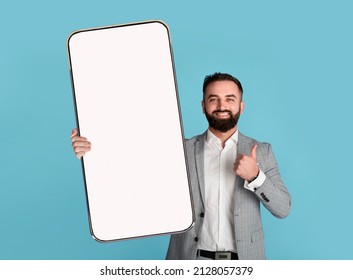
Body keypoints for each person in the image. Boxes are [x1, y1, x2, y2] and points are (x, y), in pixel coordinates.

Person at [71, 72, 291, 260]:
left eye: (230, 99)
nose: (222, 106)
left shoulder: (262, 151)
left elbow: (283, 209)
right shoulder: (179, 150)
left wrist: (255, 177)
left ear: (241, 106)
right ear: (203, 106)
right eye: (213, 99)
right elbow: (133, 171)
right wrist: (92, 152)